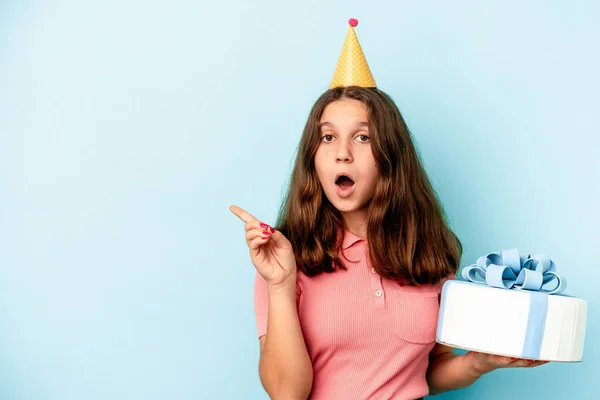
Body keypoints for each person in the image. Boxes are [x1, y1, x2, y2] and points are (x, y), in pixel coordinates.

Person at [230, 19, 548, 400]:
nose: (342, 152)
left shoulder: (427, 251)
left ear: (389, 156)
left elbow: (428, 371)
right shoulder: (286, 259)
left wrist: (480, 362)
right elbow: (287, 394)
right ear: (313, 158)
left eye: (362, 137)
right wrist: (280, 285)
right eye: (327, 137)